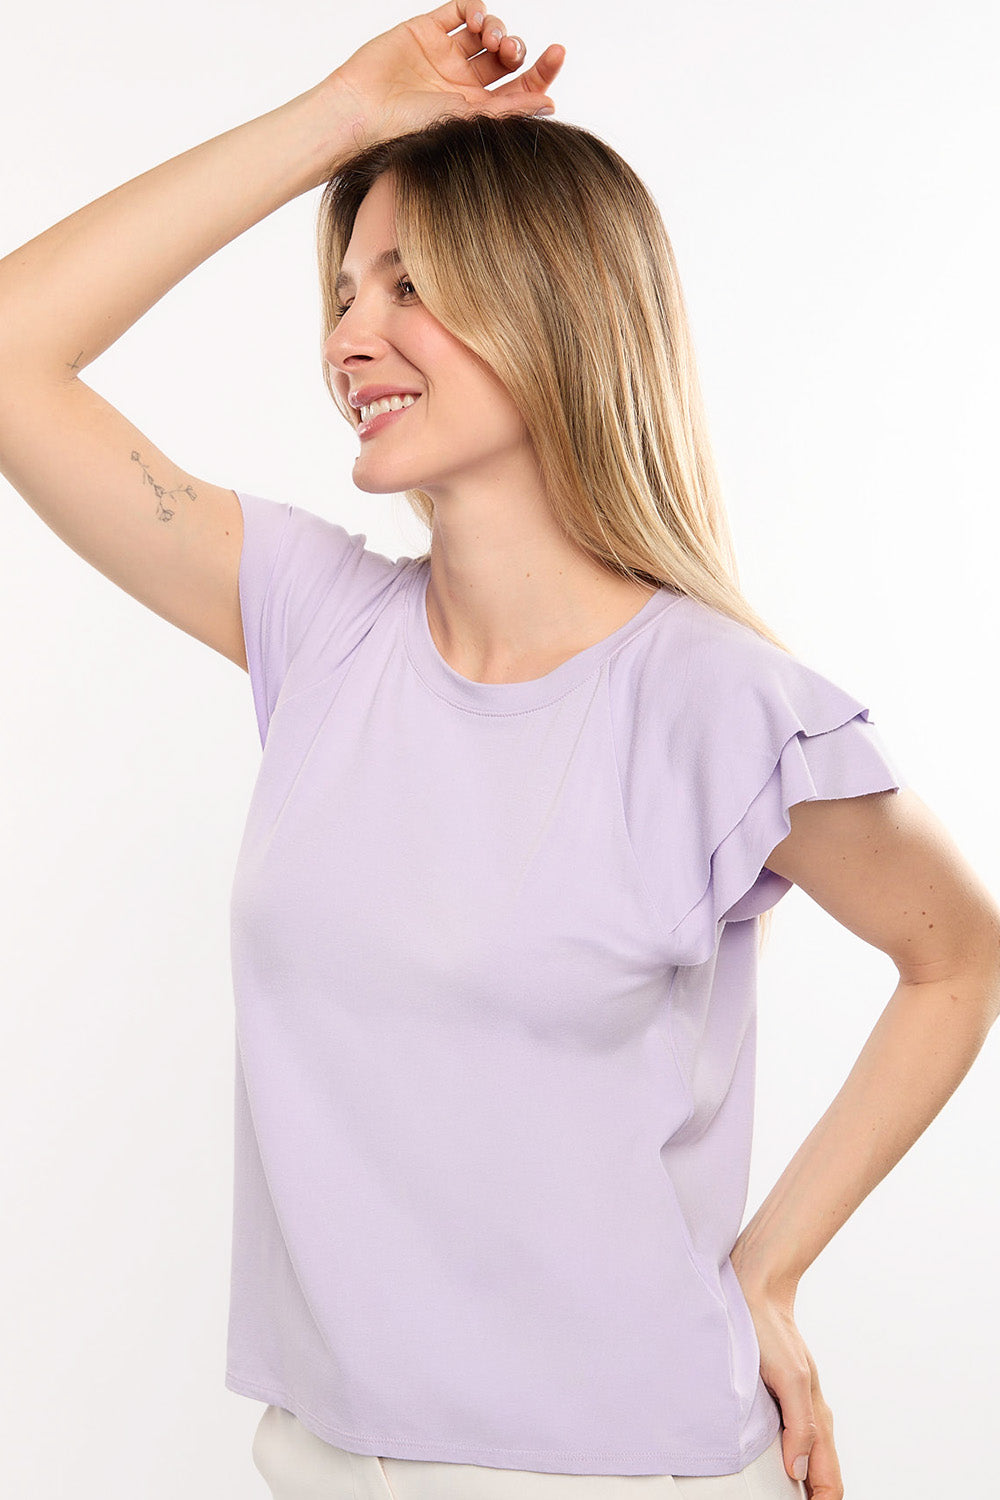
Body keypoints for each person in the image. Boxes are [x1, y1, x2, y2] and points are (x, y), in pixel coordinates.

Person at [1, 3, 997, 1498]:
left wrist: (770, 1270)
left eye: (408, 284)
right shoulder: (318, 622)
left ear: (551, 309)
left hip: (613, 1469)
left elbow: (956, 953)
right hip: (318, 1455)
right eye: (345, 291)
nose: (349, 338)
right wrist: (340, 117)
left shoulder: (719, 701)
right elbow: (12, 351)